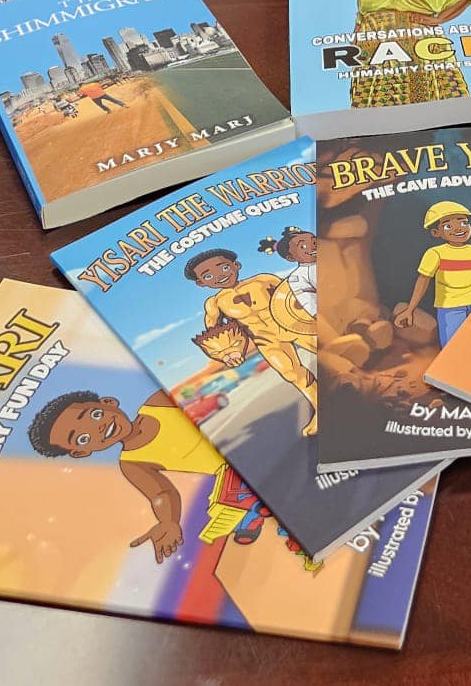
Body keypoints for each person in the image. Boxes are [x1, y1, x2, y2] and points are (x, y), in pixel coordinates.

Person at [27, 388, 226, 563]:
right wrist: (168, 522)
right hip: (230, 472)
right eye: (83, 438)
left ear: (108, 402)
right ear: (81, 452)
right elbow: (161, 493)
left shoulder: (157, 403)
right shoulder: (131, 463)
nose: (99, 428)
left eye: (95, 415)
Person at [185, 248, 317, 436]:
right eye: (208, 276)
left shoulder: (264, 280)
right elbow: (215, 334)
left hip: (295, 325)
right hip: (265, 339)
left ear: (236, 265)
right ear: (201, 283)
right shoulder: (215, 303)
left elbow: (294, 295)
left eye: (223, 268)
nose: (219, 276)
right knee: (293, 373)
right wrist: (228, 354)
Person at [349, 0, 471, 106]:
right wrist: (355, 39)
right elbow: (361, 17)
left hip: (412, 33)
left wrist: (438, 19)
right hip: (373, 37)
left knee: (416, 74)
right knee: (372, 82)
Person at [394, 201, 471, 347]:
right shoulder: (435, 253)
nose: (459, 228)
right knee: (453, 348)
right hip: (451, 309)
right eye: (448, 226)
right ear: (436, 232)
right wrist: (410, 310)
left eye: (464, 223)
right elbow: (423, 280)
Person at [260, 225, 317, 319]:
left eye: (314, 242)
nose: (314, 247)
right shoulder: (297, 276)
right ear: (291, 258)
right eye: (303, 246)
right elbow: (307, 300)